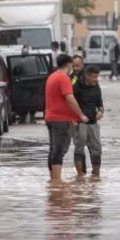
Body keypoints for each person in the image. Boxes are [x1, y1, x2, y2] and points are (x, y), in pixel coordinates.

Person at [45, 53, 89, 181]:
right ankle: (57, 182)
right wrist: (80, 114)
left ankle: (52, 179)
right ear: (69, 64)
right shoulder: (63, 78)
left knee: (53, 149)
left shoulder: (51, 77)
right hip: (60, 120)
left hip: (50, 118)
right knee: (58, 150)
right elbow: (69, 98)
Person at [73, 65, 104, 177]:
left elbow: (100, 104)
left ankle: (96, 175)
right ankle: (80, 176)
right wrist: (73, 118)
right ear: (87, 76)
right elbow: (69, 103)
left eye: (97, 77)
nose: (96, 79)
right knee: (79, 148)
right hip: (80, 122)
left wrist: (101, 112)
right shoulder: (76, 87)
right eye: (94, 77)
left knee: (97, 149)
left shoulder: (97, 87)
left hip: (93, 123)